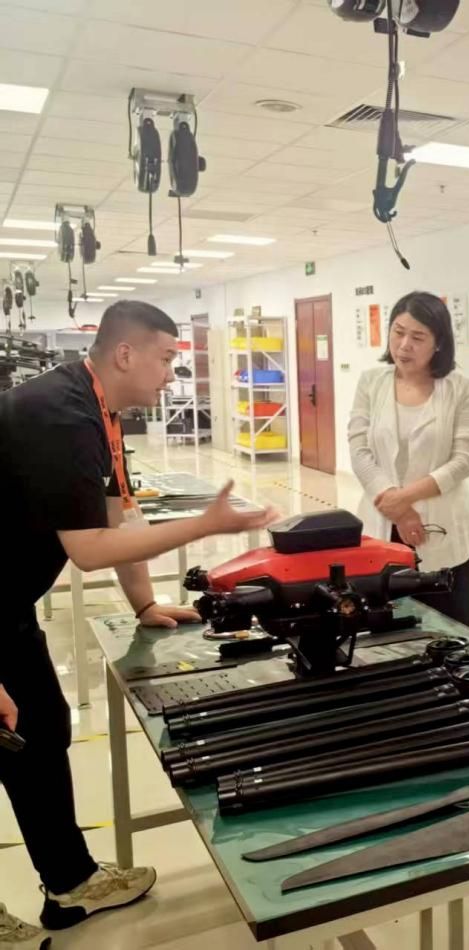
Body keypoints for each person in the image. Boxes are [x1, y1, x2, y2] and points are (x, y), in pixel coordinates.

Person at [0, 301, 275, 946]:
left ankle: (69, 881)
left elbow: (116, 511)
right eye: (166, 358)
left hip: (7, 603)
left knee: (40, 727)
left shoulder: (99, 411)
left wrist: (144, 604)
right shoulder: (59, 413)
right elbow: (89, 549)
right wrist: (205, 524)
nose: (172, 374)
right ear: (125, 354)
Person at [349, 292, 469, 627]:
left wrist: (404, 499)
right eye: (398, 332)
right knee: (381, 636)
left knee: (448, 635)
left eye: (418, 337)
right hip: (380, 527)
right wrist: (398, 509)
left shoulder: (460, 389)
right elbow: (359, 450)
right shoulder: (371, 383)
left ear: (439, 344)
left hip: (444, 531)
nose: (404, 345)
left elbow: (464, 460)